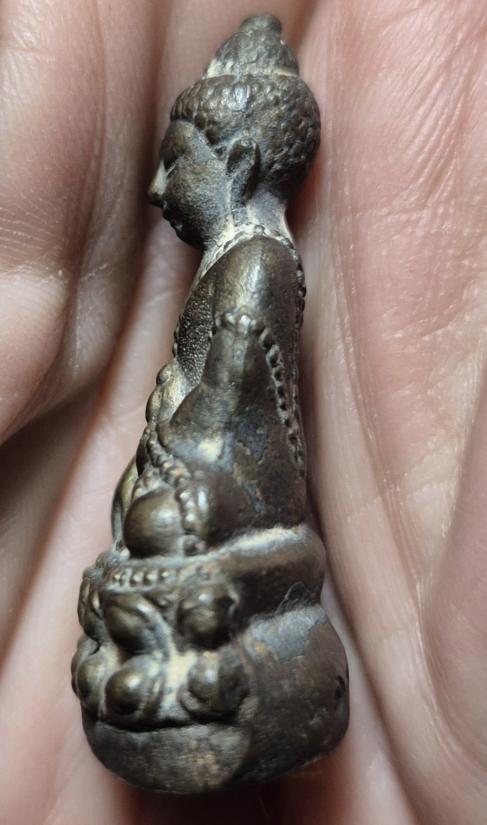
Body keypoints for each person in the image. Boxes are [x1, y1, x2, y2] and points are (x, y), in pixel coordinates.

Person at [1, 1, 486, 823]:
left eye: (177, 163)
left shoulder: (258, 264)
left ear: (238, 158)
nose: (158, 188)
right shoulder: (233, 261)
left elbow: (233, 401)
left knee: (158, 522)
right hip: (207, 480)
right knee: (143, 524)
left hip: (225, 482)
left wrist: (177, 453)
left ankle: (191, 647)